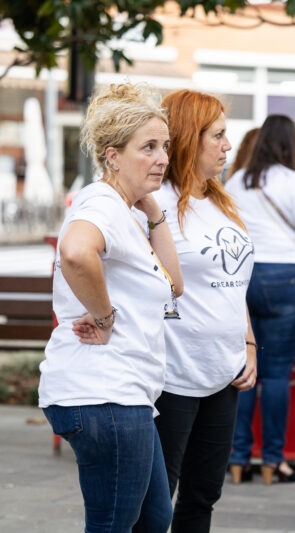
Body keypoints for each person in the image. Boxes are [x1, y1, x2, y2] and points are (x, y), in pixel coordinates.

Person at [38, 83, 183, 532]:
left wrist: (154, 211)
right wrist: (104, 317)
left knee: (154, 519)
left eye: (165, 147)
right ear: (112, 154)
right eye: (149, 148)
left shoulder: (127, 211)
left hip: (126, 396)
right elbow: (76, 251)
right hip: (104, 394)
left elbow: (174, 285)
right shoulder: (100, 201)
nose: (162, 157)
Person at [141, 89, 258, 533]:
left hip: (223, 372)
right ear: (190, 137)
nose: (228, 146)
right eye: (219, 135)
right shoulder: (155, 204)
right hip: (172, 374)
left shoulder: (221, 201)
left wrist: (248, 342)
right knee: (155, 502)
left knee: (203, 495)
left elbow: (233, 285)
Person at [226, 114, 295, 485]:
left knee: (245, 368)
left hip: (243, 277)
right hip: (286, 277)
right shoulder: (292, 180)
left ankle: (238, 458)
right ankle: (273, 460)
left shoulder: (237, 180)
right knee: (277, 373)